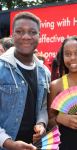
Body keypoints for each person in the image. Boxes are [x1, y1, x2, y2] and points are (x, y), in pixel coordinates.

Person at [0, 12, 50, 150]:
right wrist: (9, 143)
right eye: (20, 31)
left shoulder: (44, 72)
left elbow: (42, 108)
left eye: (32, 32)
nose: (26, 36)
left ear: (39, 36)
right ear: (12, 35)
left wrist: (41, 124)